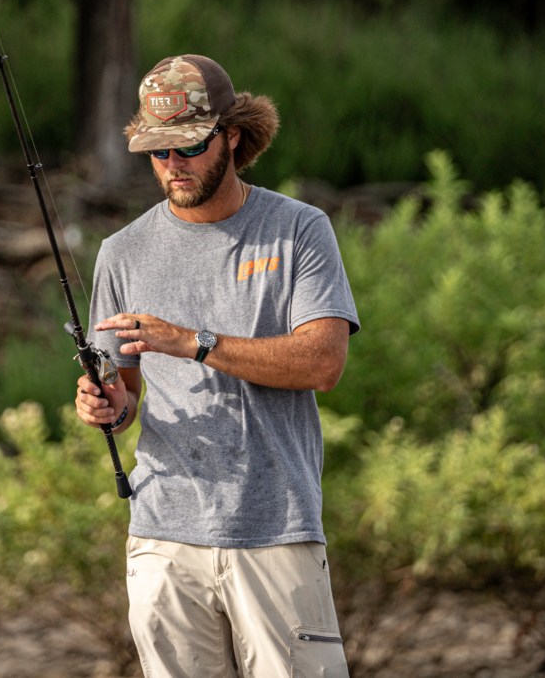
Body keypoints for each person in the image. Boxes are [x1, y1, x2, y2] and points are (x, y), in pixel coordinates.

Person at [74, 53, 359, 677]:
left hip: (277, 527)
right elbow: (124, 392)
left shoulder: (299, 230)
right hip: (162, 535)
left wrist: (193, 342)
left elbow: (323, 362)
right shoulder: (120, 253)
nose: (173, 165)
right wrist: (107, 406)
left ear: (231, 136)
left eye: (190, 147)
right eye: (157, 152)